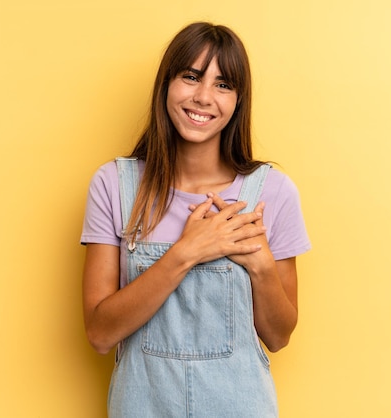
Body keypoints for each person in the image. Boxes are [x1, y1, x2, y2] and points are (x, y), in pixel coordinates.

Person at [81, 22, 311, 417]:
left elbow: (279, 335)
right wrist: (185, 253)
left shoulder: (272, 192)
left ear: (238, 100)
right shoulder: (115, 185)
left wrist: (261, 267)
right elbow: (100, 334)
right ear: (166, 85)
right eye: (191, 77)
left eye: (223, 85)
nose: (204, 97)